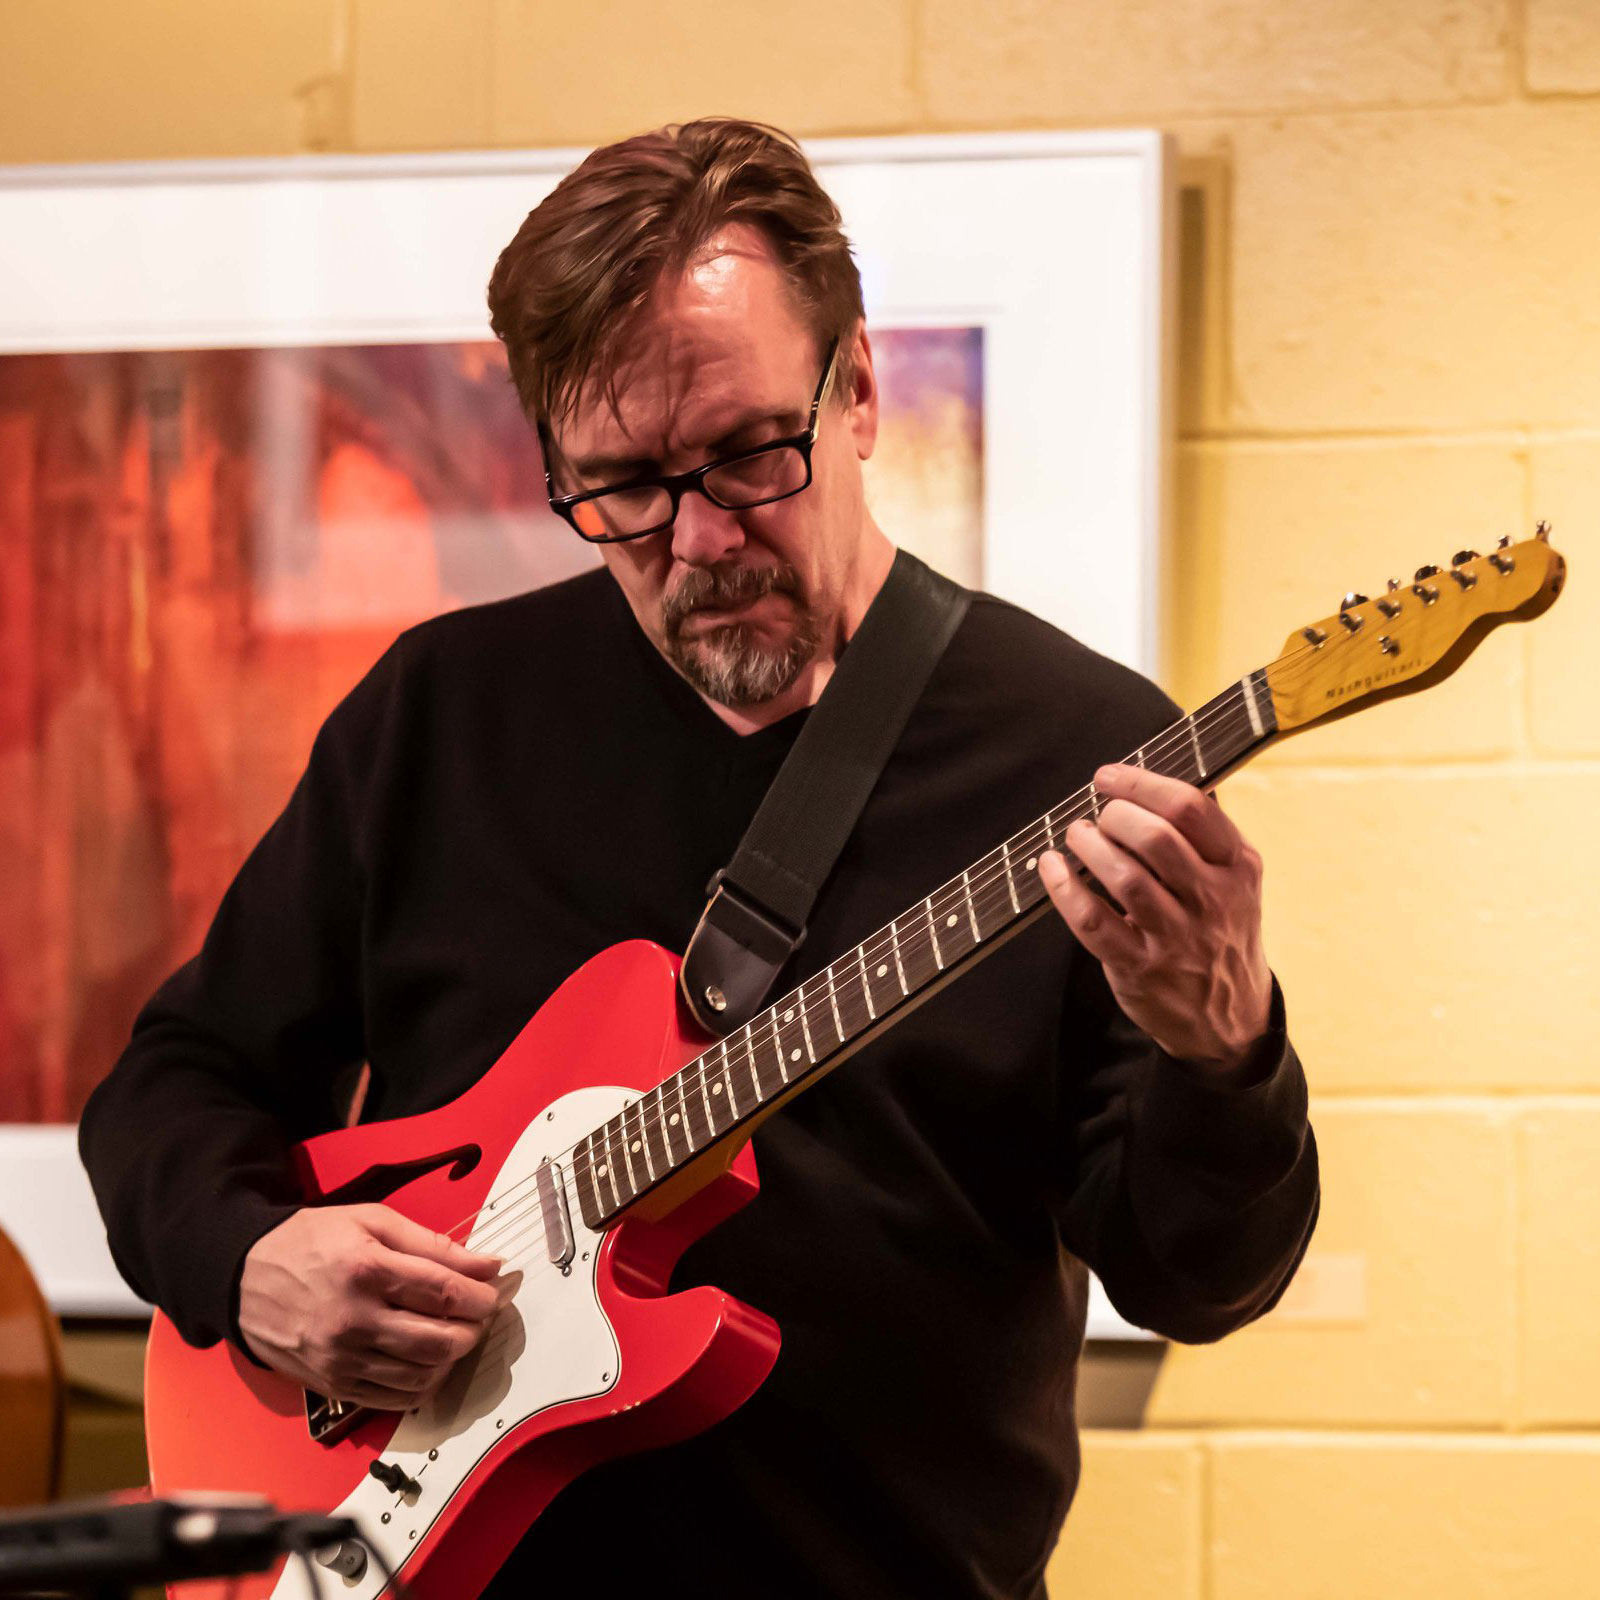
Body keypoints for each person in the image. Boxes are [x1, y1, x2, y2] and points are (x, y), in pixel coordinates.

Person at [81, 118, 1318, 1599]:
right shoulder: (444, 713)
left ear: (857, 387)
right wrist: (246, 1257)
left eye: (747, 456)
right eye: (620, 490)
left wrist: (1222, 1043)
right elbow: (172, 1083)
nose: (698, 540)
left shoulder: (1082, 753)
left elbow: (1198, 1279)